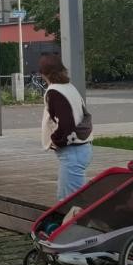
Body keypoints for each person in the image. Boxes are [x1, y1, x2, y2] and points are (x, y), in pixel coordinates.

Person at [39, 53, 94, 200]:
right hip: (81, 147)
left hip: (72, 150)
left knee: (70, 201)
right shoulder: (69, 87)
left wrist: (56, 141)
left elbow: (66, 123)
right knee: (71, 197)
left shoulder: (55, 92)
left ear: (43, 74)